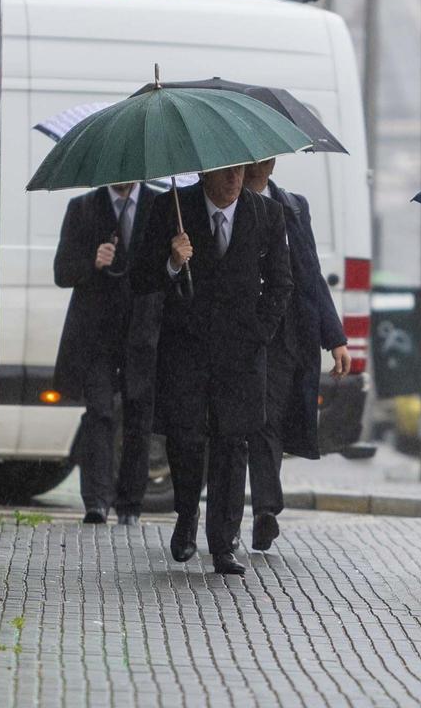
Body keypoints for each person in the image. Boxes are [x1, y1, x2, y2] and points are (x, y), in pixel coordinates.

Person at [131, 164, 292, 575]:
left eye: (239, 171)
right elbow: (140, 278)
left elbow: (281, 283)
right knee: (185, 439)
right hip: (186, 347)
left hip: (241, 352)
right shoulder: (171, 208)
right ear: (205, 173)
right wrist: (171, 260)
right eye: (225, 172)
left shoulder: (266, 214)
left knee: (232, 442)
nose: (233, 179)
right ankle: (187, 517)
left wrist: (260, 331)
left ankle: (224, 542)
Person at [243, 158, 351, 552]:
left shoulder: (294, 205)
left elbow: (311, 273)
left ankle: (265, 506)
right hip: (252, 332)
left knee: (279, 416)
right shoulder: (230, 204)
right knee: (264, 418)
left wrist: (335, 337)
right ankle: (265, 509)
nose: (260, 164)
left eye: (266, 157)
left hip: (293, 334)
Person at [52, 181, 164, 525]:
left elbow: (169, 273)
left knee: (138, 417)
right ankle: (97, 501)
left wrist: (175, 257)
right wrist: (93, 261)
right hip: (97, 335)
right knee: (99, 412)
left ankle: (130, 504)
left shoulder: (160, 205)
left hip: (143, 331)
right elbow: (62, 272)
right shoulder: (82, 207)